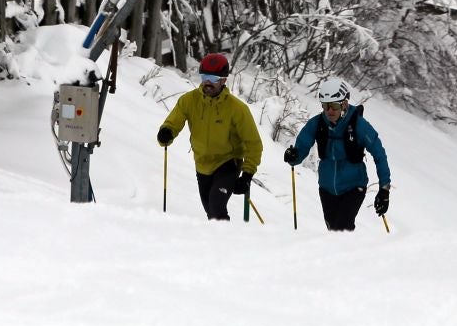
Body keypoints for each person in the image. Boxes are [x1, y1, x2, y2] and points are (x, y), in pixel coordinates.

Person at [156, 52, 263, 221]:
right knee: (212, 215)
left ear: (223, 80)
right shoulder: (189, 101)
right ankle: (221, 244)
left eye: (213, 78)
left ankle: (226, 244)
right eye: (205, 76)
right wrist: (166, 133)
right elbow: (173, 122)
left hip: (228, 162)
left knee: (216, 206)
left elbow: (254, 144)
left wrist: (247, 175)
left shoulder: (237, 109)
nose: (207, 82)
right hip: (202, 164)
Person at [283, 77, 391, 231]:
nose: (330, 111)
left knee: (342, 229)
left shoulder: (359, 126)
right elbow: (301, 148)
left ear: (345, 104)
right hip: (326, 188)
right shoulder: (317, 124)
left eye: (334, 106)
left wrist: (384, 190)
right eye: (325, 107)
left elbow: (380, 155)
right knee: (333, 230)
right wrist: (293, 156)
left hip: (353, 187)